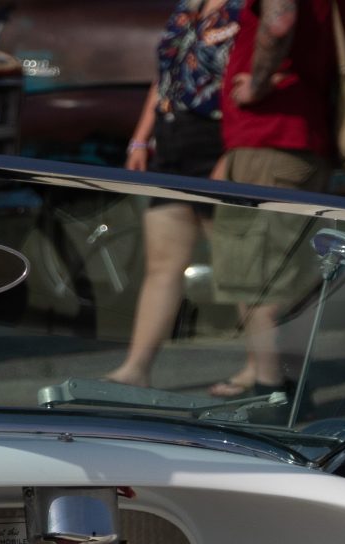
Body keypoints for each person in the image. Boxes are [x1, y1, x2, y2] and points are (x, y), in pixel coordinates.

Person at [206, 0, 345, 397]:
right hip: (300, 143)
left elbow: (280, 21)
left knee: (258, 279)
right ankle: (267, 375)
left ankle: (273, 392)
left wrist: (259, 82)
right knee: (283, 272)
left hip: (272, 138)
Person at [107, 0, 239, 388]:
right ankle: (136, 368)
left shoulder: (249, 9)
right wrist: (139, 138)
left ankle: (267, 372)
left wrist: (232, 155)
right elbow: (165, 76)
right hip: (171, 137)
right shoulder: (189, 7)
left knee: (238, 267)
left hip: (216, 137)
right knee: (163, 263)